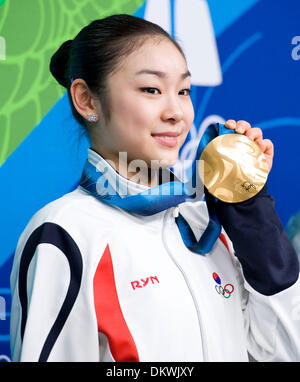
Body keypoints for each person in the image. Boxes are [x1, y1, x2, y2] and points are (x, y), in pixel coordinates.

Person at [10, 14, 300, 362]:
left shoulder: (207, 224)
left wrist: (252, 214)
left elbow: (285, 353)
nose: (177, 112)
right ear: (87, 100)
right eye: (151, 90)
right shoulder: (64, 231)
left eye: (183, 91)